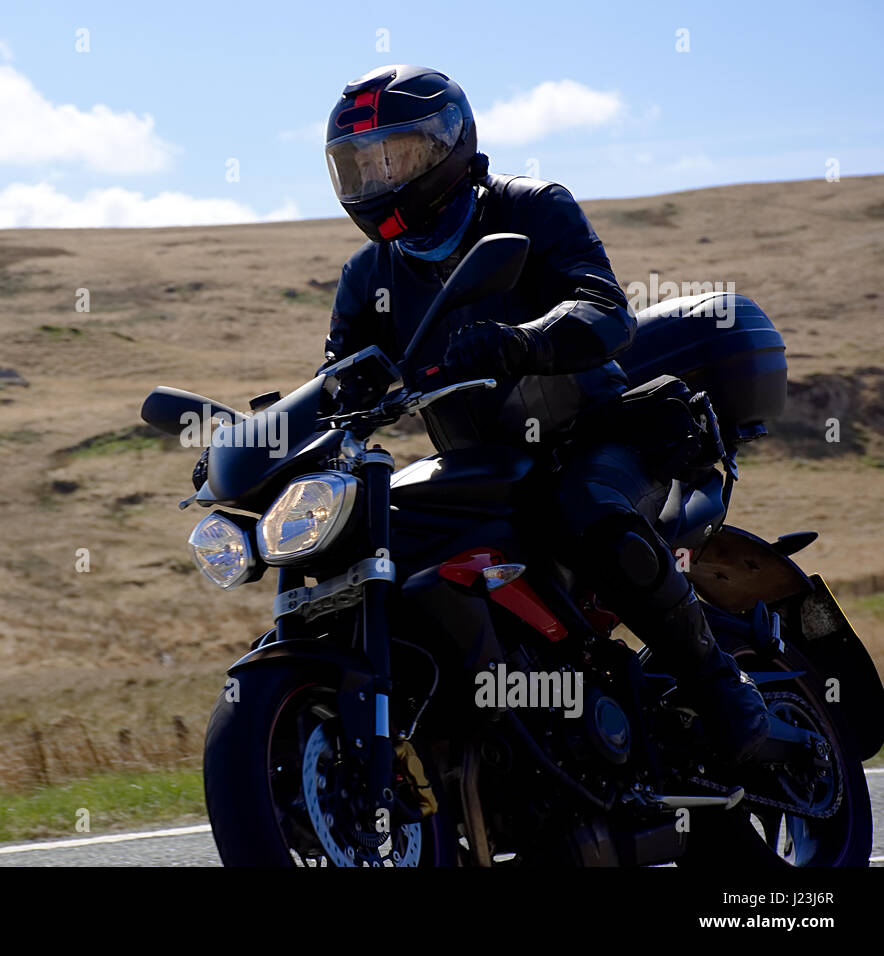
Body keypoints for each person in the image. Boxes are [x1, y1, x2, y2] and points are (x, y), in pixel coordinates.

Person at [318, 64, 770, 764]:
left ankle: (720, 685)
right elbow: (337, 381)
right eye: (360, 165)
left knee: (584, 506)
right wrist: (265, 438)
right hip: (479, 466)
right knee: (383, 542)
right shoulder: (368, 275)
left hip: (593, 435)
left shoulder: (528, 208)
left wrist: (520, 343)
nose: (377, 179)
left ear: (446, 146)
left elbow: (605, 310)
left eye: (394, 156)